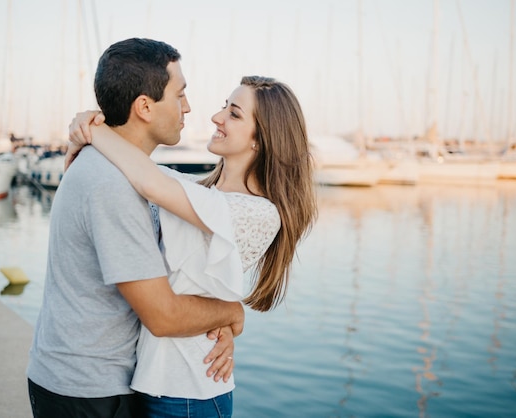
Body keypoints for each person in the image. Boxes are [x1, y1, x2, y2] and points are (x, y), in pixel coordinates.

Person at [67, 75, 318, 417]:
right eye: (223, 107)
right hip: (152, 381)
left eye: (234, 114)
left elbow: (150, 182)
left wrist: (94, 131)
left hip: (189, 392)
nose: (217, 117)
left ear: (261, 140)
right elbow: (138, 169)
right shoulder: (199, 192)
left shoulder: (258, 212)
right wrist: (82, 127)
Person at [26, 38, 245, 418]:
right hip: (89, 390)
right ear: (144, 106)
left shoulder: (111, 167)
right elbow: (162, 316)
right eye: (180, 95)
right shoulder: (112, 185)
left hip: (77, 380)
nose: (189, 107)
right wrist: (231, 313)